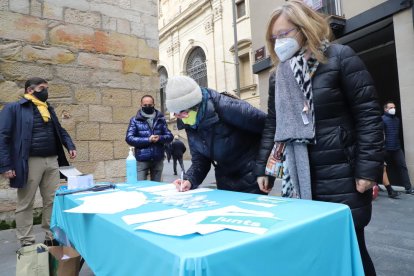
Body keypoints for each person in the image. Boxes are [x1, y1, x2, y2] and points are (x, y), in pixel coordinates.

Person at [255, 2, 384, 275]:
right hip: (298, 177)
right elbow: (273, 124)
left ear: (305, 29)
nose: (278, 42)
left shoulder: (340, 57)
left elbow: (369, 116)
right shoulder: (279, 75)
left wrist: (367, 170)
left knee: (352, 251)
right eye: (273, 38)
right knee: (315, 253)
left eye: (284, 34)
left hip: (341, 175)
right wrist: (265, 168)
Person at [0, 77, 77, 247]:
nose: (46, 92)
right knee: (26, 202)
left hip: (51, 160)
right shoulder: (14, 108)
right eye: (42, 88)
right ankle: (27, 240)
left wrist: (69, 145)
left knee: (51, 200)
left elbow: (60, 130)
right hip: (28, 162)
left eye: (46, 88)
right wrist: (6, 165)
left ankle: (51, 236)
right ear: (30, 90)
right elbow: (3, 137)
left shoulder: (48, 108)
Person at [165, 76, 268, 194]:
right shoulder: (190, 122)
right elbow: (200, 160)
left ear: (195, 105)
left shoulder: (226, 106)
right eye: (176, 114)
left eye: (182, 113)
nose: (180, 118)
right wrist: (189, 180)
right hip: (225, 179)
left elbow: (269, 127)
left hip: (254, 175)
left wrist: (263, 168)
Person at [125, 95, 173, 181]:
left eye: (150, 105)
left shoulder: (161, 119)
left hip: (158, 159)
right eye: (145, 105)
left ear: (154, 104)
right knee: (141, 186)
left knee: (156, 187)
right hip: (142, 160)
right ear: (141, 105)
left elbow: (170, 136)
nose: (148, 107)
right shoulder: (135, 120)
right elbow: (129, 138)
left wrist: (160, 138)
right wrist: (148, 139)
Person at [382, 101, 414, 194]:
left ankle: (408, 188)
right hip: (386, 149)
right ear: (385, 109)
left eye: (394, 107)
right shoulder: (382, 119)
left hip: (397, 148)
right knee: (380, 168)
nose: (393, 109)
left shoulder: (397, 120)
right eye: (391, 107)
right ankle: (376, 186)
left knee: (403, 167)